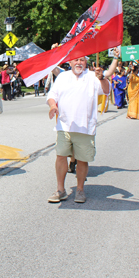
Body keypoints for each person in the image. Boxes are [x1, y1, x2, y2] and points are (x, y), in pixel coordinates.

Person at [46, 56, 110, 204]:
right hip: (64, 126)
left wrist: (102, 78)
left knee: (82, 159)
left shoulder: (93, 76)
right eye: (75, 60)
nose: (79, 63)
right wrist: (53, 106)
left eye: (82, 60)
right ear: (70, 62)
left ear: (86, 62)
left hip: (85, 127)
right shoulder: (62, 76)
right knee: (61, 156)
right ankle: (60, 190)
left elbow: (106, 90)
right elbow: (52, 95)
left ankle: (80, 190)